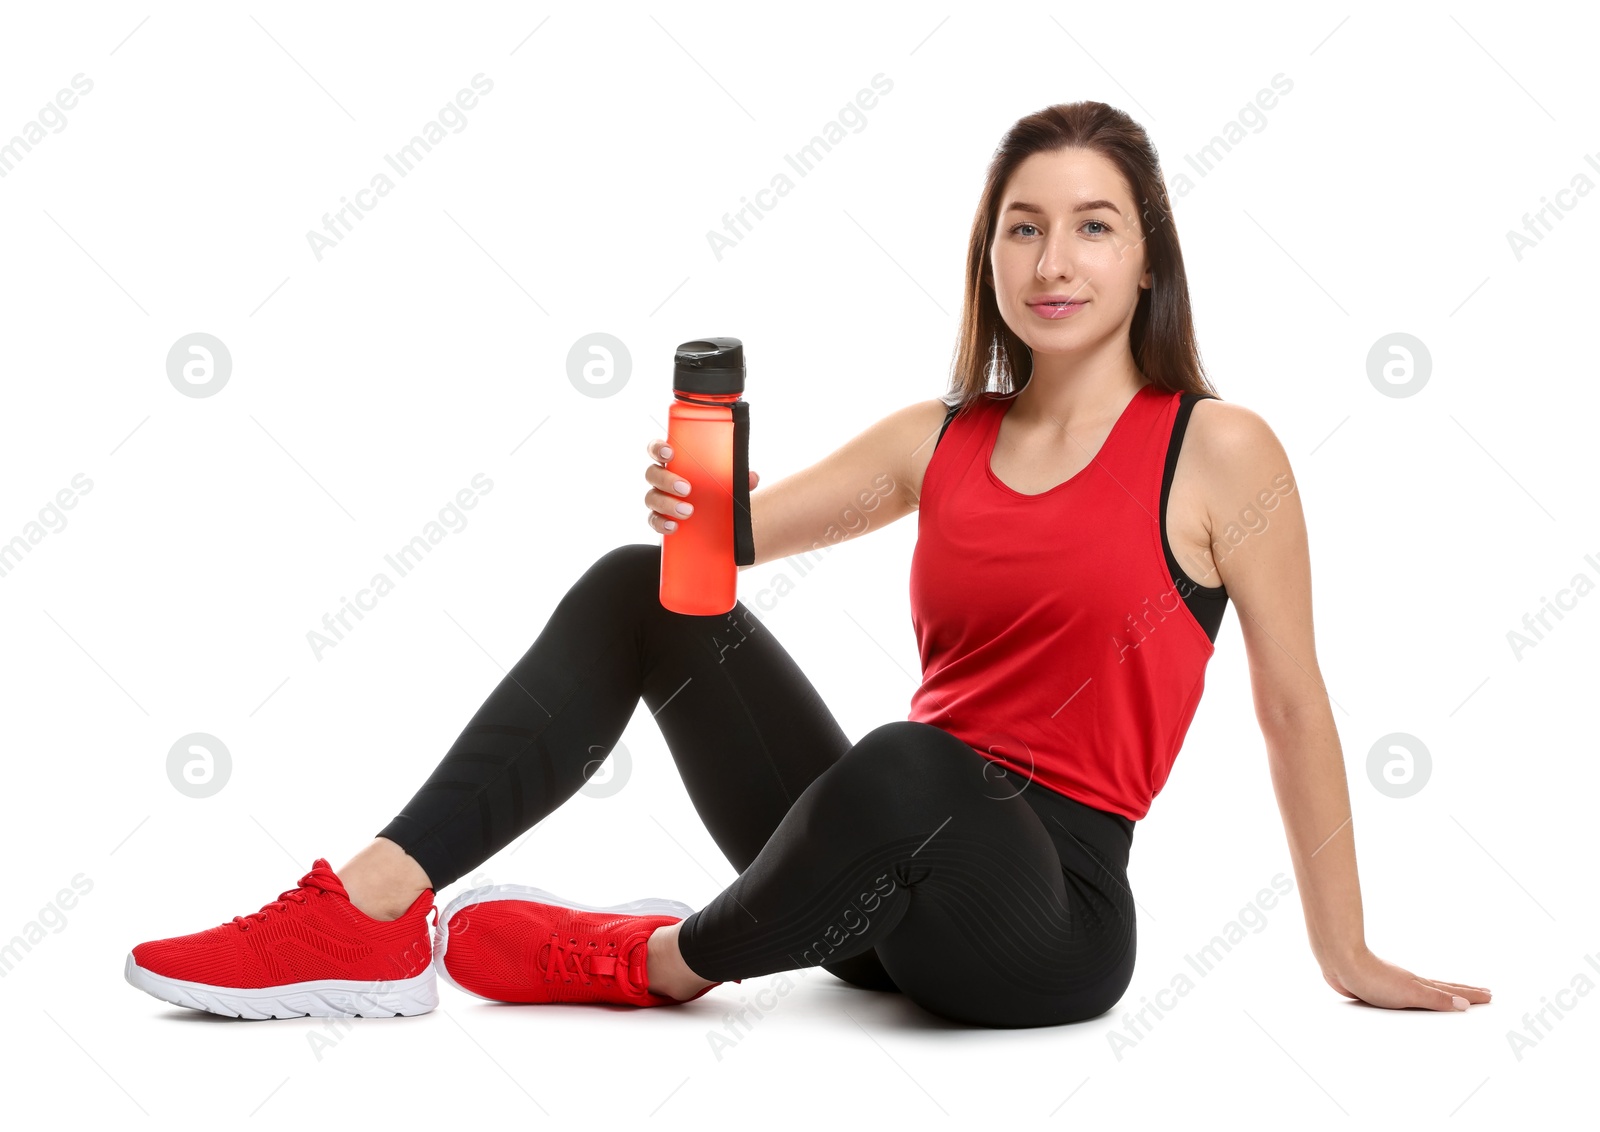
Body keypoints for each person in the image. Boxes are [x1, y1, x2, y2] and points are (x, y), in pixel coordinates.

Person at [124, 100, 1489, 1028]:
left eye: (1093, 224)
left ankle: (657, 963)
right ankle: (367, 910)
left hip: (1043, 919)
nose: (1052, 257)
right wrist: (695, 506)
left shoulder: (1221, 450)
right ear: (988, 255)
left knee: (911, 759)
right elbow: (709, 558)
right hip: (873, 885)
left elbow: (1294, 706)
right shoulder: (935, 438)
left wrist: (1345, 955)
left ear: (1147, 260)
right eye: (1023, 224)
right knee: (634, 584)